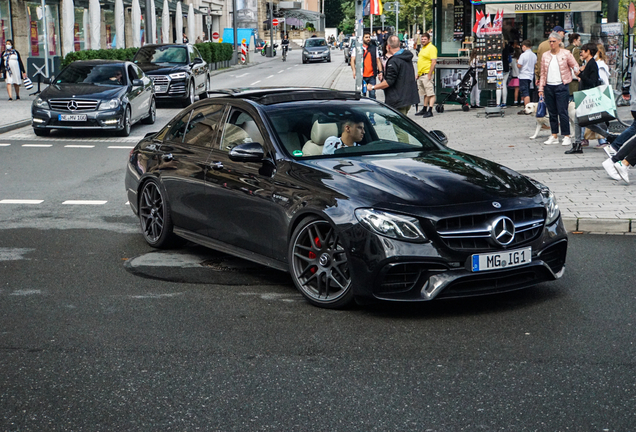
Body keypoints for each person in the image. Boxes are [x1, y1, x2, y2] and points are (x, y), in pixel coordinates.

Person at [568, 43, 616, 154]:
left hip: (588, 97)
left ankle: (577, 145)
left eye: (583, 51)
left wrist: (580, 74)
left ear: (588, 51)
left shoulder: (592, 64)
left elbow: (593, 81)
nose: (581, 53)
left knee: (579, 120)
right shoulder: (589, 63)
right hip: (585, 96)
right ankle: (609, 136)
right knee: (585, 122)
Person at [538, 31, 579, 146]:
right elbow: (542, 73)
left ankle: (566, 135)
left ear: (559, 41)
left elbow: (575, 65)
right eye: (550, 41)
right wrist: (541, 88)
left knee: (563, 111)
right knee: (552, 112)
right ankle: (554, 135)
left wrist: (579, 75)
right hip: (548, 86)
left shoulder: (566, 53)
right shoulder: (545, 55)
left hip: (561, 85)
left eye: (553, 41)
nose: (551, 44)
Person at [367, 35, 419, 118]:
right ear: (399, 44)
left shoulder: (394, 61)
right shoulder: (406, 56)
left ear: (388, 46)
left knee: (399, 129)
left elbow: (389, 82)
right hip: (408, 97)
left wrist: (373, 87)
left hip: (398, 99)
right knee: (404, 122)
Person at [351, 31, 384, 102]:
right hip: (361, 76)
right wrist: (354, 71)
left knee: (372, 95)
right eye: (366, 37)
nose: (368, 39)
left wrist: (380, 72)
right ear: (362, 38)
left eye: (369, 37)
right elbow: (352, 60)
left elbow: (378, 60)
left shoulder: (374, 48)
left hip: (372, 75)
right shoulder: (357, 49)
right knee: (362, 96)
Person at [415, 32, 437, 118]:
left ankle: (430, 110)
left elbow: (433, 62)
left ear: (429, 39)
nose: (423, 40)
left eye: (425, 39)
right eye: (422, 39)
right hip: (421, 74)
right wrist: (418, 73)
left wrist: (430, 74)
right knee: (425, 93)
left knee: (430, 93)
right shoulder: (423, 48)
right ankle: (424, 108)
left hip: (427, 74)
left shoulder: (431, 48)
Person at [517, 40, 536, 114]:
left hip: (523, 75)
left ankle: (526, 109)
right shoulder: (534, 55)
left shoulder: (523, 55)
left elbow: (519, 65)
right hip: (531, 75)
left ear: (524, 46)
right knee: (529, 91)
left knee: (525, 93)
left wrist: (517, 62)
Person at [498, 40, 514, 108]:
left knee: (498, 85)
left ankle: (497, 103)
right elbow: (510, 59)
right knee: (504, 84)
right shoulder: (507, 49)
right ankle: (504, 102)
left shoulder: (497, 50)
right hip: (506, 67)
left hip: (498, 67)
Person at [566, 33, 582, 99]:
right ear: (574, 40)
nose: (580, 42)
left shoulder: (565, 49)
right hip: (573, 78)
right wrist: (581, 60)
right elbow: (576, 63)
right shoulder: (576, 50)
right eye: (579, 40)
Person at [509, 40, 521, 105]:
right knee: (522, 90)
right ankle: (522, 101)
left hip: (515, 75)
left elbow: (510, 66)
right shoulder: (521, 59)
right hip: (521, 75)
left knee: (516, 90)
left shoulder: (512, 60)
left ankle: (515, 101)